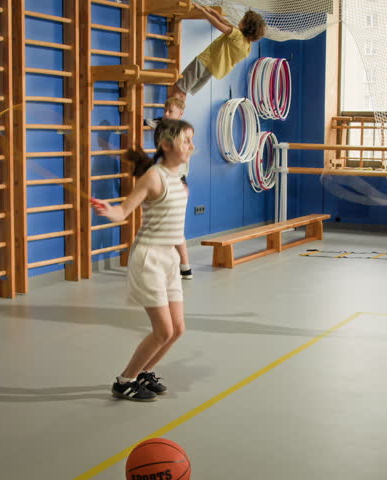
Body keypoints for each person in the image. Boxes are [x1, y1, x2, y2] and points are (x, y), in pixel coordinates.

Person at [91, 119, 194, 401]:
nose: (192, 146)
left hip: (169, 258)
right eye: (186, 140)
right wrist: (108, 210)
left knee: (178, 330)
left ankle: (143, 372)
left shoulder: (178, 175)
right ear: (166, 144)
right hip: (149, 258)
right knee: (163, 331)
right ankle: (124, 382)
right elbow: (124, 211)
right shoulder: (154, 177)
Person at [168, 5, 265, 100]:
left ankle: (171, 114)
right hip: (210, 71)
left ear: (246, 25)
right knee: (183, 92)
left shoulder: (237, 35)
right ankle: (177, 113)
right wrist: (213, 12)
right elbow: (225, 22)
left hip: (204, 62)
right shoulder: (247, 47)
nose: (241, 20)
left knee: (178, 88)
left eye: (243, 19)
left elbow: (217, 24)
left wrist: (203, 11)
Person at [147, 98, 194, 279]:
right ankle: (181, 267)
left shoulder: (181, 133)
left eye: (170, 111)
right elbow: (153, 123)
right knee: (164, 227)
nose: (166, 114)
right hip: (165, 182)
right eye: (165, 110)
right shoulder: (163, 126)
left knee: (173, 229)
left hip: (177, 182)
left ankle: (184, 266)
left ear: (180, 114)